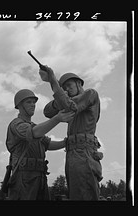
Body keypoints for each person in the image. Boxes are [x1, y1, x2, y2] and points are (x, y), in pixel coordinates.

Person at [39, 66, 103, 201]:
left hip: (84, 152)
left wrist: (53, 81)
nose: (67, 89)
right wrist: (60, 96)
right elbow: (47, 112)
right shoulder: (68, 102)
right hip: (73, 153)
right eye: (64, 88)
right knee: (76, 194)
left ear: (79, 83)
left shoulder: (90, 94)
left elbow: (71, 106)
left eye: (69, 85)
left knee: (84, 195)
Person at [5, 89, 75, 200]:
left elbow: (47, 144)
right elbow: (34, 132)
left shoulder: (35, 126)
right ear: (19, 105)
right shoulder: (16, 124)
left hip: (40, 176)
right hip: (23, 178)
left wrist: (67, 142)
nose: (33, 105)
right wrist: (57, 118)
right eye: (28, 102)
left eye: (34, 102)